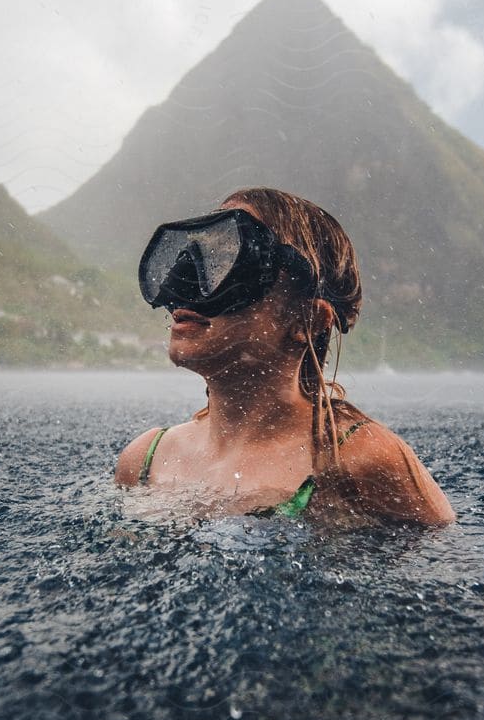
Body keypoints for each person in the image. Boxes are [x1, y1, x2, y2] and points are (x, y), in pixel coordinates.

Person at [114, 187, 456, 527]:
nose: (184, 283)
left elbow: (452, 570)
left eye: (231, 261)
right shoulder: (143, 460)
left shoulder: (360, 459)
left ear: (305, 318)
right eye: (202, 256)